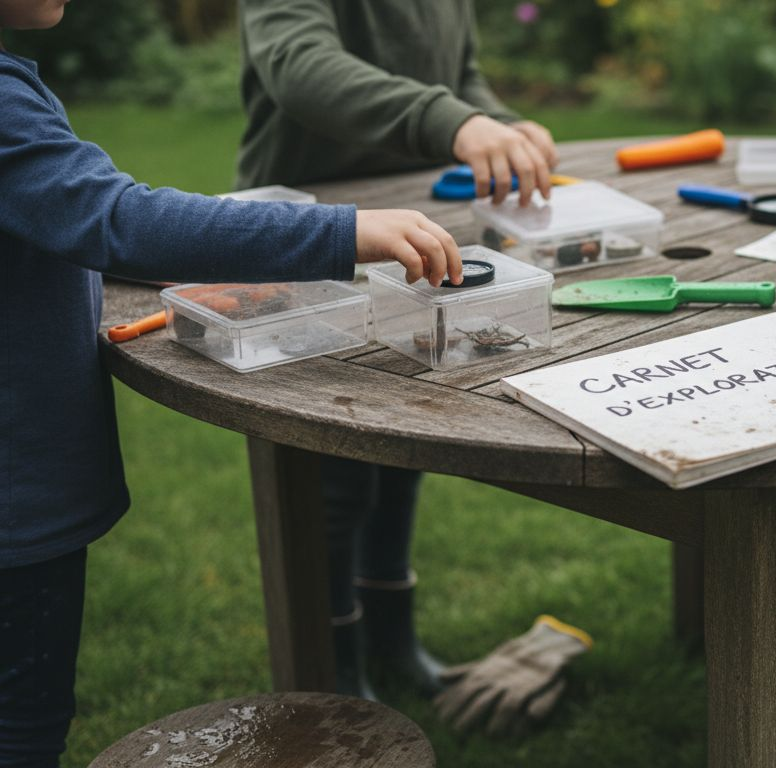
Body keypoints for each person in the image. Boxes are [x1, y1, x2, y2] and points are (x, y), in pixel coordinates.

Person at [0, 2, 465, 765]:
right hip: (17, 500)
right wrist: (343, 232)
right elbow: (112, 218)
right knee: (23, 723)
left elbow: (60, 219)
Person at [235, 0, 561, 701]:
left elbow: (456, 74)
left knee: (400, 442)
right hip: (306, 235)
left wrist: (496, 123)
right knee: (333, 470)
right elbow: (299, 66)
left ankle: (390, 639)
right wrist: (455, 122)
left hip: (411, 228)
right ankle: (333, 672)